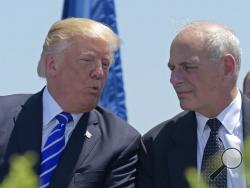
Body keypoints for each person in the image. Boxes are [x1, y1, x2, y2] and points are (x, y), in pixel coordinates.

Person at [0, 18, 140, 188]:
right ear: (52, 65)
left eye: (105, 64)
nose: (99, 72)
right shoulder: (3, 115)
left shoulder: (120, 141)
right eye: (87, 60)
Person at [137, 21, 249, 188]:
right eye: (172, 68)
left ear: (227, 67)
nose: (174, 80)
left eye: (187, 67)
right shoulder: (156, 145)